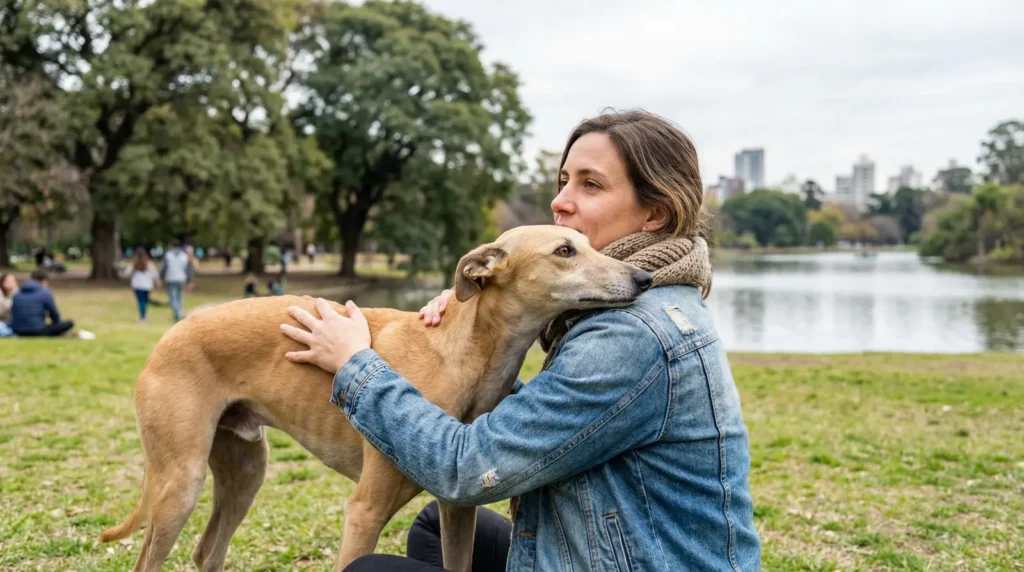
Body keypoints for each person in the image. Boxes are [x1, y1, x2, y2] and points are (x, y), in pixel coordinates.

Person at [280, 110, 761, 571]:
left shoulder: (630, 335)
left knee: (371, 570)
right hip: (626, 549)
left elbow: (465, 471)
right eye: (563, 181)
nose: (561, 201)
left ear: (654, 214)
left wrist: (356, 363)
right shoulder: (652, 297)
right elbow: (564, 418)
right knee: (432, 526)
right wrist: (476, 319)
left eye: (589, 184)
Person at [10, 269, 75, 337]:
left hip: (17, 330)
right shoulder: (45, 293)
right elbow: (54, 315)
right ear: (44, 281)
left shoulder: (17, 294)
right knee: (70, 323)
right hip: (38, 330)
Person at [160, 239, 194, 323]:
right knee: (179, 298)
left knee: (173, 299)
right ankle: (178, 315)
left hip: (171, 279)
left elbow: (163, 268)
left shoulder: (168, 255)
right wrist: (189, 281)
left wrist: (161, 278)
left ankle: (178, 315)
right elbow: (188, 269)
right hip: (181, 279)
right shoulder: (184, 255)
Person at [124, 249, 160, 323]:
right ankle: (144, 316)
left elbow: (127, 273)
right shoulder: (149, 264)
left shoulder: (134, 264)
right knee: (145, 301)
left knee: (141, 301)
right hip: (147, 285)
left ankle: (142, 317)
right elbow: (155, 274)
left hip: (137, 285)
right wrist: (157, 281)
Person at [1, 272, 17, 337]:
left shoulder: (16, 294)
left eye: (13, 281)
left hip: (12, 323)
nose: (11, 283)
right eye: (8, 281)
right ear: (2, 282)